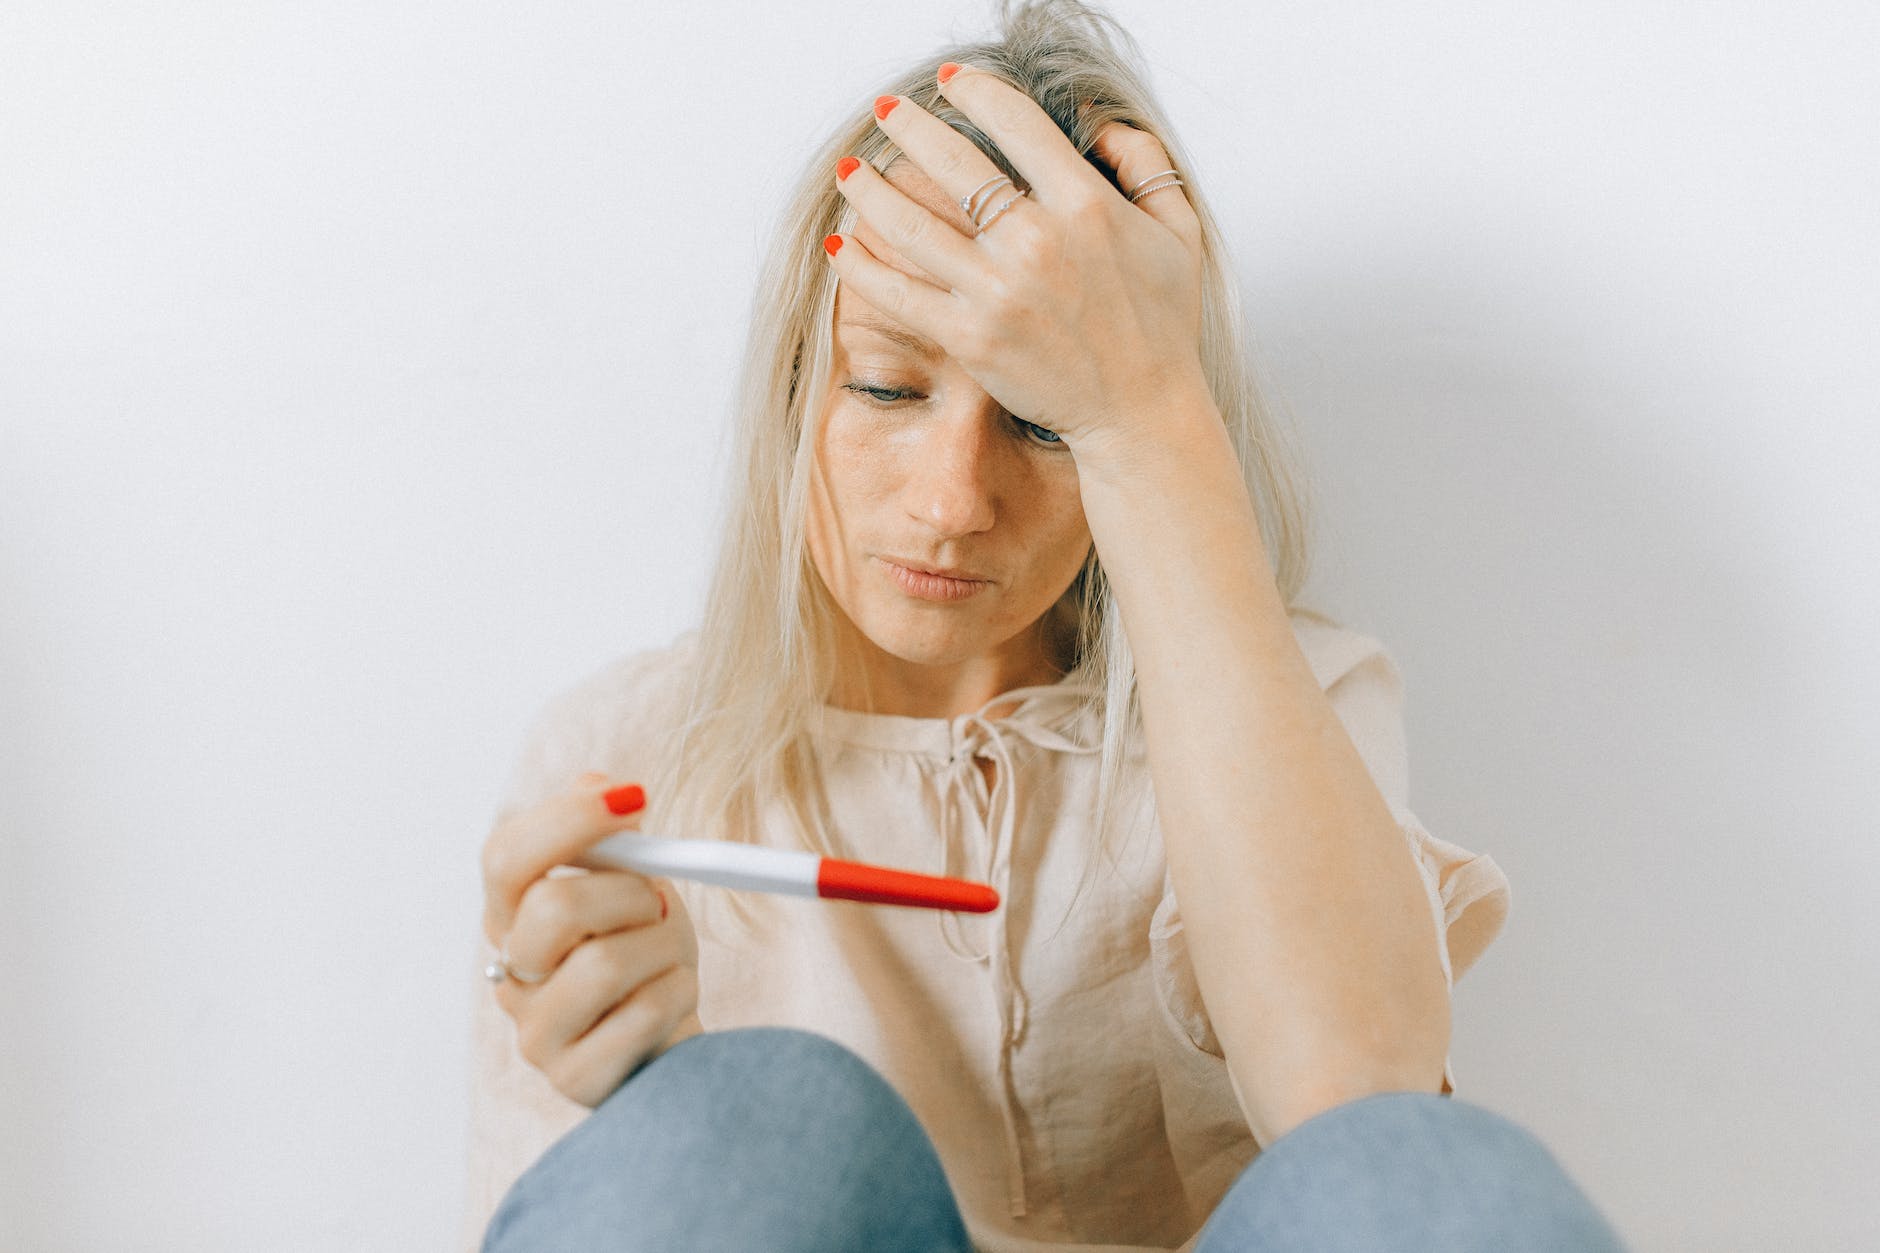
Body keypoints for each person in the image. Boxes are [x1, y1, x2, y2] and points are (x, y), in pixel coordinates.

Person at [464, 2, 1630, 1249]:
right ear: (793, 382)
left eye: (1040, 418)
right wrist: (656, 1102)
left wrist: (1140, 409)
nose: (953, 503)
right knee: (750, 1115)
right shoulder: (621, 751)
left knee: (1431, 1174)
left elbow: (1362, 1106)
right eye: (884, 386)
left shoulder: (1291, 699)